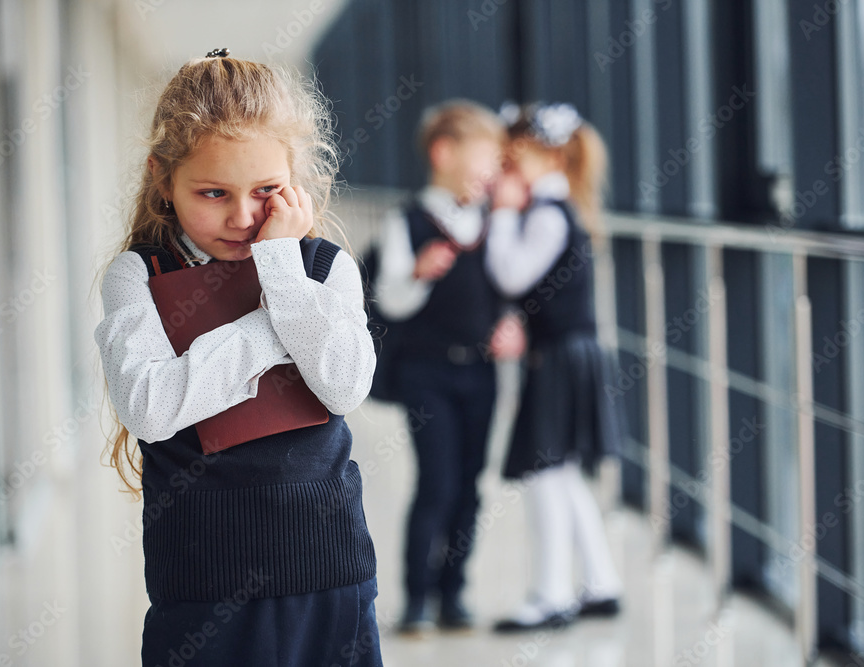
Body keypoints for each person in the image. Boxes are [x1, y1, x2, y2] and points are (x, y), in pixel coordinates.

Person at [93, 52, 382, 665]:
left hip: (328, 568)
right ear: (162, 181)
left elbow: (345, 387)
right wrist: (276, 323)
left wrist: (282, 270)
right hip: (202, 581)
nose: (244, 216)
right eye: (213, 192)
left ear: (294, 180)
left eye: (266, 192)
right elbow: (149, 408)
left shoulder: (324, 268)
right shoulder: (139, 277)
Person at [372, 99, 521, 635]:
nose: (492, 172)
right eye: (486, 158)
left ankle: (454, 592)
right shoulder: (408, 221)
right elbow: (388, 299)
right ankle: (417, 597)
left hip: (481, 373)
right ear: (444, 153)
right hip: (426, 373)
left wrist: (510, 323)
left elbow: (509, 287)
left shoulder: (492, 222)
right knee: (437, 481)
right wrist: (418, 272)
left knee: (470, 484)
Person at [486, 102, 625, 632]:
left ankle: (551, 596)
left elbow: (510, 275)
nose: (506, 162)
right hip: (570, 352)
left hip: (560, 357)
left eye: (514, 151)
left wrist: (501, 211)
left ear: (542, 153)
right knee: (562, 472)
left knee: (546, 471)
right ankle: (600, 581)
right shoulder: (560, 207)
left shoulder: (544, 213)